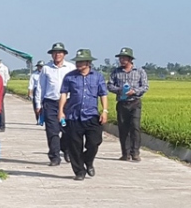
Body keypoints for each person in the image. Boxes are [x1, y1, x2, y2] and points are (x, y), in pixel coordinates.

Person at [58, 49, 109, 181]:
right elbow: (64, 94)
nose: (79, 64)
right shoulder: (70, 77)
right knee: (74, 146)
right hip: (74, 116)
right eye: (77, 62)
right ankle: (79, 171)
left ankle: (88, 160)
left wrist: (104, 111)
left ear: (88, 62)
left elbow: (103, 94)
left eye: (81, 62)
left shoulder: (97, 76)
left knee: (95, 142)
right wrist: (61, 111)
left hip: (91, 115)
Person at [107, 48, 149, 161]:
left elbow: (145, 86)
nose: (122, 60)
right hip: (122, 103)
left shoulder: (139, 71)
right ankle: (125, 153)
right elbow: (110, 85)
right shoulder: (116, 72)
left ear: (130, 59)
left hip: (135, 102)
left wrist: (134, 91)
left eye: (124, 58)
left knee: (135, 127)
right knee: (123, 128)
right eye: (120, 58)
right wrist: (120, 90)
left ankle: (135, 152)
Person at [37, 42, 73, 166]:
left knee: (68, 130)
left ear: (64, 54)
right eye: (55, 53)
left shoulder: (70, 68)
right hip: (50, 102)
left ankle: (66, 149)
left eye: (60, 53)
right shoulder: (46, 68)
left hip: (67, 103)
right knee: (52, 131)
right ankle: (54, 156)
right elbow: (41, 87)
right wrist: (38, 104)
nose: (57, 55)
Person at [0, 59, 11, 132]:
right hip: (1, 86)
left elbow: (1, 79)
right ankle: (0, 124)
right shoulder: (2, 68)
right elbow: (8, 78)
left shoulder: (1, 69)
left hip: (1, 86)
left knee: (0, 106)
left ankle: (1, 125)